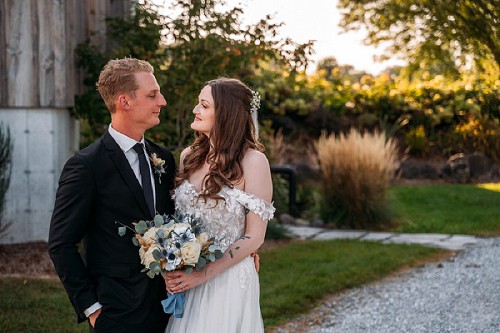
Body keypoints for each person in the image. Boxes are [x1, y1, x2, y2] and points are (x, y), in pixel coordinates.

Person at [48, 58, 176, 333]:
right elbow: (61, 243)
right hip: (116, 313)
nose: (162, 101)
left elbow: (177, 222)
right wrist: (92, 308)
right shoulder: (87, 166)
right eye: (152, 95)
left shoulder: (163, 158)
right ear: (124, 102)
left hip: (167, 308)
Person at [164, 78, 275, 333]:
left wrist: (203, 274)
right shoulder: (188, 157)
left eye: (203, 105)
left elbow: (254, 236)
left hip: (227, 279)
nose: (195, 110)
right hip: (188, 277)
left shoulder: (254, 162)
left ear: (226, 114)